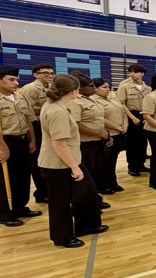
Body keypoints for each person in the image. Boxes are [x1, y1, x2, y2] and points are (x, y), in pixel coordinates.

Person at [39, 74, 107, 248]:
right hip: (59, 163)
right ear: (74, 91)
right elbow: (59, 144)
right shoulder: (57, 111)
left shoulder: (58, 105)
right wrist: (75, 167)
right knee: (60, 202)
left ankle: (87, 225)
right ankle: (63, 237)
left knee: (88, 192)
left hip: (69, 158)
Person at [0, 66, 41, 226]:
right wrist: (3, 148)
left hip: (21, 142)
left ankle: (20, 207)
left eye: (16, 79)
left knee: (22, 177)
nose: (16, 82)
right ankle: (6, 214)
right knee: (2, 181)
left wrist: (32, 140)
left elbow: (29, 121)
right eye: (11, 79)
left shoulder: (20, 98)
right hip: (0, 143)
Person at [68, 72, 112, 209]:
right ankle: (83, 204)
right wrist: (99, 133)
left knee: (95, 173)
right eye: (91, 86)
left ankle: (93, 199)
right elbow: (76, 125)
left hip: (97, 141)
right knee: (86, 175)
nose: (94, 88)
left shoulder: (91, 99)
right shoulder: (75, 102)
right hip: (85, 143)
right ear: (79, 88)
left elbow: (98, 119)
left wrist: (106, 134)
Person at [19, 63, 54, 203]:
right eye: (45, 73)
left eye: (51, 73)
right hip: (35, 125)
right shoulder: (30, 89)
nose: (49, 75)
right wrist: (47, 109)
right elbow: (27, 110)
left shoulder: (51, 88)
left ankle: (47, 190)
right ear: (36, 74)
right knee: (37, 161)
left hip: (47, 125)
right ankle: (41, 192)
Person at [92, 78, 127, 194]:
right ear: (95, 89)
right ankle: (103, 185)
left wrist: (124, 126)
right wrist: (116, 127)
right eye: (104, 87)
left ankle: (113, 182)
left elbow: (122, 111)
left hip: (118, 133)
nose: (108, 89)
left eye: (108, 87)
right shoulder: (94, 101)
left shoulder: (112, 98)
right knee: (103, 162)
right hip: (107, 134)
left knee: (113, 160)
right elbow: (100, 118)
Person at [117, 64, 150, 177]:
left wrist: (147, 117)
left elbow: (149, 104)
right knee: (132, 143)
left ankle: (141, 164)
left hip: (144, 115)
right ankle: (132, 167)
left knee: (143, 142)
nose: (132, 74)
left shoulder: (147, 88)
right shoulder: (125, 87)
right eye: (131, 72)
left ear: (142, 73)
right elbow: (121, 104)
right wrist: (132, 117)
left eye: (135, 72)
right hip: (131, 115)